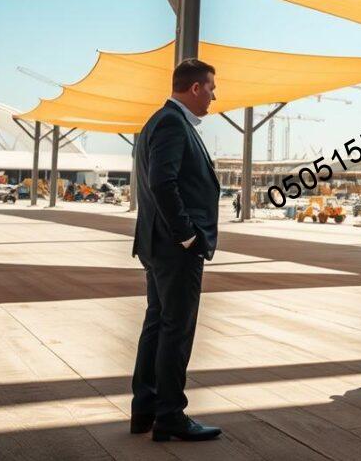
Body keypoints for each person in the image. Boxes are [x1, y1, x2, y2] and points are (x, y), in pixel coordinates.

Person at [130, 59, 223, 443]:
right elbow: (163, 182)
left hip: (156, 244)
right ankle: (170, 414)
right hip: (174, 249)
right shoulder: (172, 122)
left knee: (158, 325)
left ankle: (146, 410)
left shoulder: (158, 121)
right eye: (212, 88)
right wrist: (188, 236)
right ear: (196, 88)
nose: (215, 96)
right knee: (176, 329)